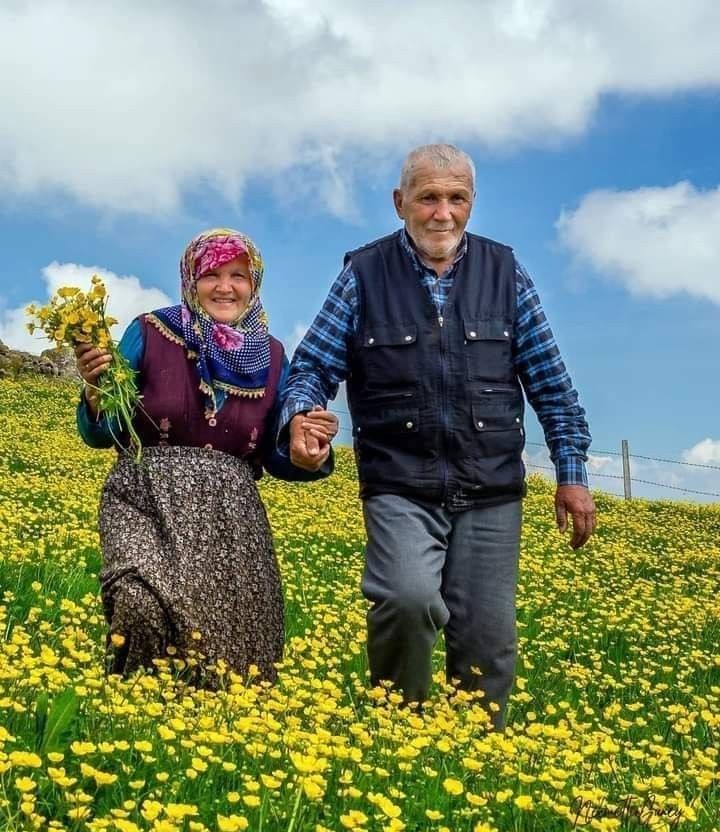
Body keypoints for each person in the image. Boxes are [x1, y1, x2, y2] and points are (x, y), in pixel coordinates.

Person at [280, 144, 595, 729]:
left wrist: (571, 475)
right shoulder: (363, 276)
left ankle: (476, 758)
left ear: (472, 205)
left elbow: (552, 383)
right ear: (401, 203)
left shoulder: (507, 275)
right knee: (406, 597)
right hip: (400, 482)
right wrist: (302, 414)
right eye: (428, 197)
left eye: (456, 198)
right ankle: (399, 731)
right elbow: (311, 367)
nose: (442, 212)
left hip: (491, 487)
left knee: (488, 639)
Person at [75, 227, 337, 684]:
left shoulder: (273, 357)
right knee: (138, 602)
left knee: (233, 654)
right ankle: (135, 711)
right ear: (190, 279)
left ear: (254, 284)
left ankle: (208, 736)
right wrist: (97, 395)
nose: (224, 287)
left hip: (230, 516)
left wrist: (307, 450)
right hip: (145, 497)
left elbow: (280, 450)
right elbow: (104, 431)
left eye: (238, 275)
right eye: (211, 274)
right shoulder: (149, 332)